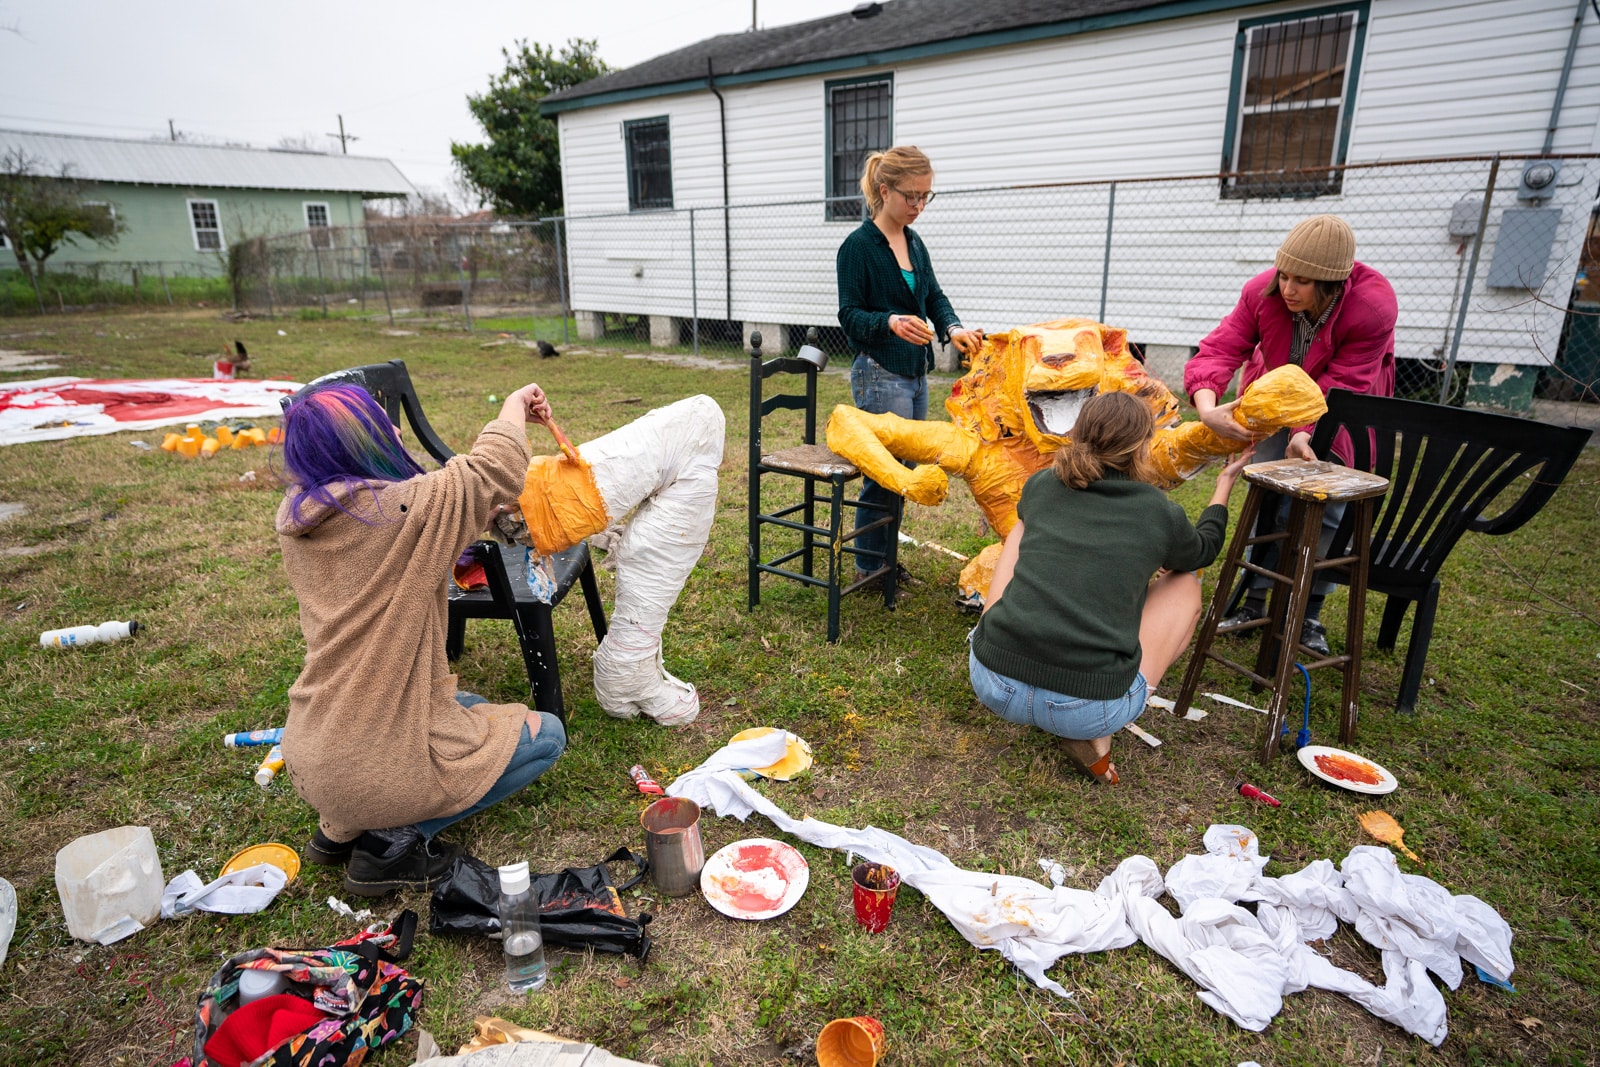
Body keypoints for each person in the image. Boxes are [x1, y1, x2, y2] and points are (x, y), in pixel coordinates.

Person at [277, 381, 567, 896]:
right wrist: (514, 403)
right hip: (367, 760)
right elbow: (491, 470)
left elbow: (445, 507)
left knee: (467, 703)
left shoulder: (304, 517)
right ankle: (392, 839)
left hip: (311, 745)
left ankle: (339, 830)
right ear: (357, 443)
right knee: (544, 735)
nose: (392, 427)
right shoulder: (395, 513)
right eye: (377, 422)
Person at [968, 392, 1253, 784]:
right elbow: (1201, 551)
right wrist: (1224, 485)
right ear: (1142, 446)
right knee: (1185, 582)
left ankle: (1000, 635)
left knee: (1023, 525)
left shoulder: (1042, 485)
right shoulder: (1157, 511)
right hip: (1087, 707)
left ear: (1077, 433)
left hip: (993, 681)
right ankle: (1099, 736)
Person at [1183, 214, 1397, 656]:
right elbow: (1221, 347)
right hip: (1276, 399)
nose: (1287, 288)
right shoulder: (1261, 292)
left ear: (1333, 283)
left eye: (1302, 281)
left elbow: (1343, 383)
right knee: (1266, 491)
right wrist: (1207, 410)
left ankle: (1307, 612)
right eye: (1284, 274)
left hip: (1343, 408)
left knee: (1329, 508)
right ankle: (1255, 604)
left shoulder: (1373, 307)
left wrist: (1306, 434)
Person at [837, 145, 984, 586]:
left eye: (926, 196)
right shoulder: (858, 247)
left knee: (903, 475)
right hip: (878, 371)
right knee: (884, 477)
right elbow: (849, 316)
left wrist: (953, 328)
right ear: (885, 190)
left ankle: (882, 563)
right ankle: (870, 567)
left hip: (915, 375)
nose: (919, 206)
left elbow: (934, 297)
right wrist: (890, 322)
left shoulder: (914, 242)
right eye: (912, 196)